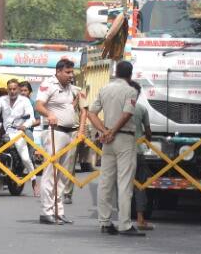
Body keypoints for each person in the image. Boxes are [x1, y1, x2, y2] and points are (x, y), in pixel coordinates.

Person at [88, 60, 144, 236]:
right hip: (124, 139)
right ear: (130, 74)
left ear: (116, 72)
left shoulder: (105, 89)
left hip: (107, 140)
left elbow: (91, 113)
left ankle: (105, 222)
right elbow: (127, 114)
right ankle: (125, 224)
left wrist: (104, 131)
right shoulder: (131, 91)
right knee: (124, 182)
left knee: (105, 181)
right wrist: (113, 131)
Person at [35, 59, 82, 224]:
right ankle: (46, 211)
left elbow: (78, 103)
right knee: (51, 172)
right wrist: (49, 115)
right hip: (56, 132)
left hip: (70, 133)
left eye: (72, 72)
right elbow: (39, 105)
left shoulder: (70, 87)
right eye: (68, 72)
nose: (71, 75)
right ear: (58, 72)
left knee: (63, 175)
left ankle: (58, 211)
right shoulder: (49, 84)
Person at [0, 78, 39, 197]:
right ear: (7, 90)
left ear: (17, 89)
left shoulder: (25, 101)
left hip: (18, 133)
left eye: (14, 89)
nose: (12, 91)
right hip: (4, 133)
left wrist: (25, 125)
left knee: (25, 158)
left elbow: (32, 118)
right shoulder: (2, 100)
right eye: (10, 89)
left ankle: (34, 182)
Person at [63, 77, 89, 205]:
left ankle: (67, 193)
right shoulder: (54, 91)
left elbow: (84, 112)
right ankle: (54, 191)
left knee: (70, 163)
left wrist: (81, 131)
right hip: (57, 130)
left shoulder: (78, 91)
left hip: (73, 131)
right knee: (54, 162)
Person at [133, 99, 154, 231]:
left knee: (122, 185)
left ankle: (123, 219)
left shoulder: (117, 108)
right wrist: (147, 143)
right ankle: (140, 219)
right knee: (140, 186)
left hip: (120, 152)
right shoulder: (141, 108)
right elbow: (148, 131)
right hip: (138, 151)